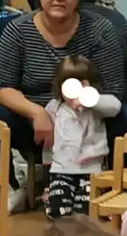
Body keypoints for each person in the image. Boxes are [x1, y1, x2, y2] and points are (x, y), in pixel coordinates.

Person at [0, 0, 126, 215]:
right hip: (37, 126)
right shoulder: (18, 30)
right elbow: (0, 88)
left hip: (91, 121)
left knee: (124, 116)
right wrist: (37, 113)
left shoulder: (100, 30)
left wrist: (83, 105)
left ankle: (116, 188)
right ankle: (9, 188)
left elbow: (114, 90)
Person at [43, 55, 120, 221]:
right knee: (58, 211)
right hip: (61, 171)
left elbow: (115, 106)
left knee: (86, 212)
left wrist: (89, 98)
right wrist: (47, 163)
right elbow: (48, 137)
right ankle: (51, 199)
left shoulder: (96, 108)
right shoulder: (54, 107)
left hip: (90, 172)